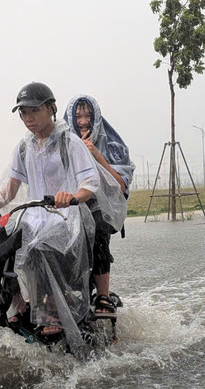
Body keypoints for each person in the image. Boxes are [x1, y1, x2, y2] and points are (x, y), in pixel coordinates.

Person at [0, 82, 126, 351]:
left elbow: (90, 182)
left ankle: (53, 309)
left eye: (33, 110)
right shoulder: (24, 147)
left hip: (66, 220)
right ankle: (16, 303)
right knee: (1, 243)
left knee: (40, 248)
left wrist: (72, 196)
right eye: (23, 113)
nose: (28, 118)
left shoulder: (70, 143)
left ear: (51, 109)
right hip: (33, 219)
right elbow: (10, 188)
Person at [64, 95, 135, 316]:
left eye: (87, 116)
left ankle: (103, 296)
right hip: (71, 205)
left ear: (96, 118)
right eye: (78, 117)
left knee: (98, 233)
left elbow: (121, 184)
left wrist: (95, 154)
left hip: (102, 208)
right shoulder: (62, 141)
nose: (83, 122)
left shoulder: (112, 144)